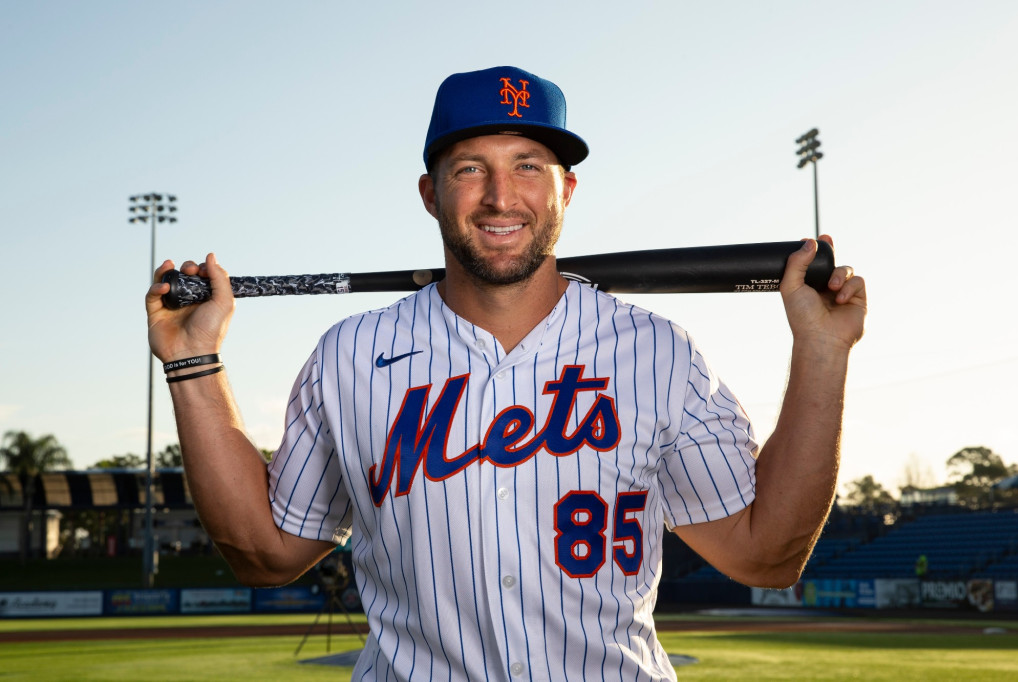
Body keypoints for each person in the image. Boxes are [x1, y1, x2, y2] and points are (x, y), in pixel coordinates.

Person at [146, 66, 866, 680]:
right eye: (470, 168)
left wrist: (822, 352)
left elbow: (767, 557)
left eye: (528, 165)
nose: (500, 196)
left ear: (566, 189)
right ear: (430, 193)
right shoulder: (349, 357)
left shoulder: (659, 352)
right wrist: (190, 360)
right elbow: (266, 556)